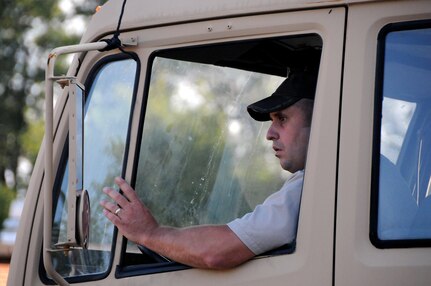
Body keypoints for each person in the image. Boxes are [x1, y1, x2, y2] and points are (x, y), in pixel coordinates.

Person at [100, 70, 317, 270]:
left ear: (319, 121)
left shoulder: (309, 189)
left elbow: (217, 252)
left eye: (282, 119)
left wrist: (149, 234)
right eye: (272, 120)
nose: (269, 133)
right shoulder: (313, 184)